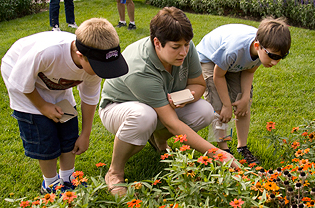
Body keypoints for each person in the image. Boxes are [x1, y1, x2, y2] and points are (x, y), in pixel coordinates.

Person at [99, 6, 238, 197]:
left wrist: (184, 96)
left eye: (186, 45)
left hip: (160, 104)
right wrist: (218, 153)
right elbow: (172, 123)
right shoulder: (140, 67)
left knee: (205, 111)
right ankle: (114, 172)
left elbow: (198, 85)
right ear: (157, 43)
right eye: (176, 47)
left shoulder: (184, 48)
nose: (184, 52)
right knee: (143, 117)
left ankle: (159, 140)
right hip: (118, 108)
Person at [1, 18, 128, 194]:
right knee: (44, 132)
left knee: (68, 128)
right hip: (22, 78)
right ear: (80, 56)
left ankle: (68, 178)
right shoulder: (47, 53)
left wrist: (85, 134)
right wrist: (43, 106)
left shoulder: (93, 64)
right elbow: (20, 81)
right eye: (100, 67)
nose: (104, 72)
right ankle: (51, 183)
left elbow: (89, 99)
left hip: (56, 82)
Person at [196, 17, 291, 164]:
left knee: (243, 104)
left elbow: (248, 72)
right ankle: (224, 150)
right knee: (219, 106)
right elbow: (218, 76)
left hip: (233, 63)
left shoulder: (262, 51)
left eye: (281, 57)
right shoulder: (234, 50)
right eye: (272, 56)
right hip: (209, 59)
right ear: (258, 45)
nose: (275, 62)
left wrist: (245, 97)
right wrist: (227, 105)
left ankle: (242, 147)